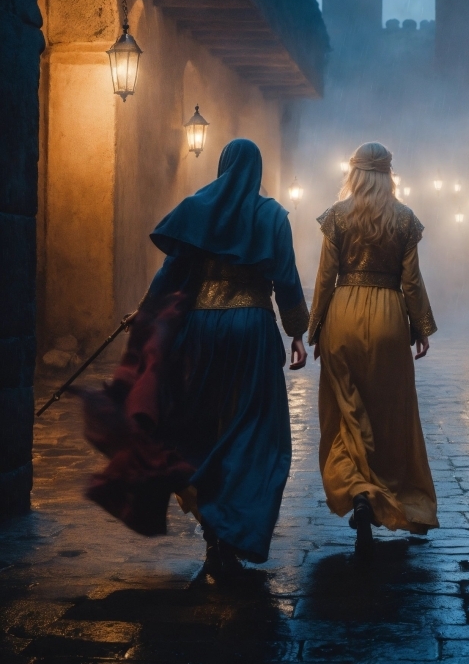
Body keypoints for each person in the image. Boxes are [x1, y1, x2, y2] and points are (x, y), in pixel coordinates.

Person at [81, 138, 309, 580]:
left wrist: (145, 312)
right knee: (255, 432)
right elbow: (286, 278)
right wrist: (297, 332)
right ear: (258, 171)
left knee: (203, 428)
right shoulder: (272, 216)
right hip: (253, 331)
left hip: (203, 332)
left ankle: (213, 537)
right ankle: (233, 530)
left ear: (222, 167)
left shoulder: (199, 211)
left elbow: (173, 272)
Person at [308, 141, 439, 556]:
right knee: (387, 415)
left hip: (343, 315)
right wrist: (421, 328)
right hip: (388, 318)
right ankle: (383, 493)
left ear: (355, 173)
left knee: (347, 412)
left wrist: (314, 329)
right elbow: (412, 282)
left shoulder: (336, 217)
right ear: (387, 174)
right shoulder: (404, 220)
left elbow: (325, 276)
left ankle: (358, 492)